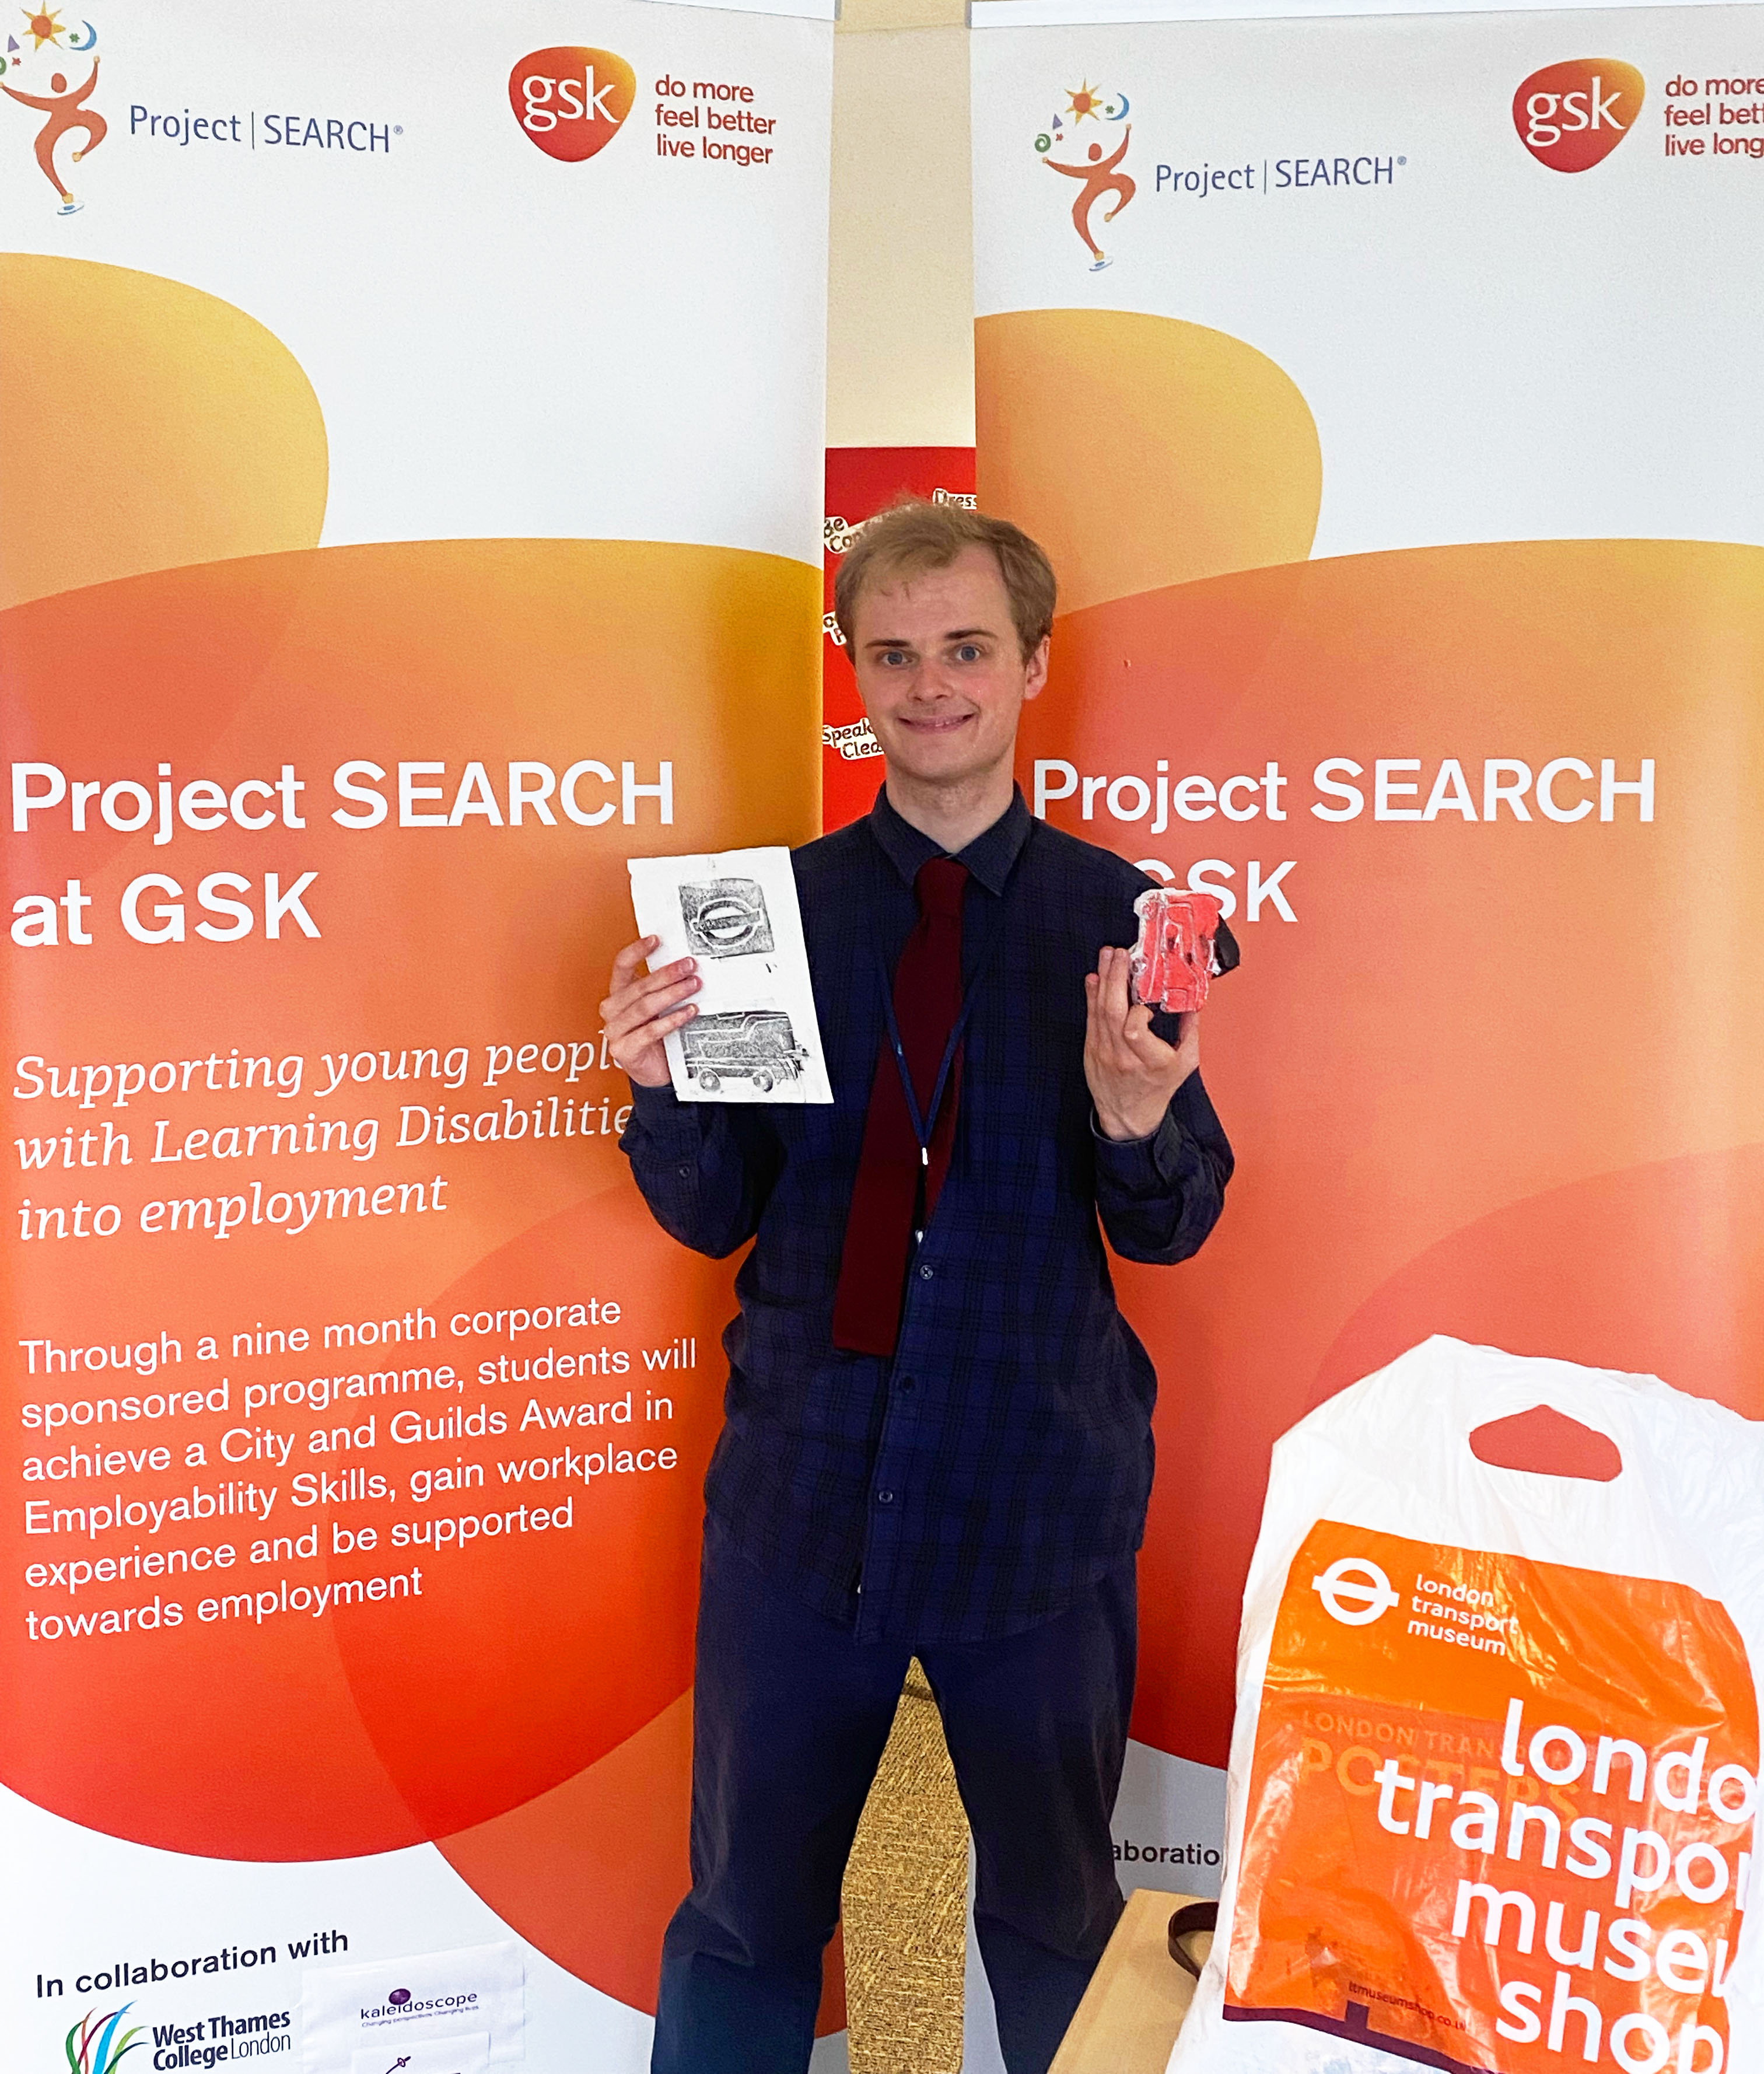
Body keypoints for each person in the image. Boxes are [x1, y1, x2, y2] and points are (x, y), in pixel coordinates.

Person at [604, 499, 1233, 2074]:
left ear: (1031, 662)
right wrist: (666, 1087)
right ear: (855, 674)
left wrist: (1140, 1123)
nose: (929, 682)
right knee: (746, 1919)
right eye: (893, 653)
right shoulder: (761, 920)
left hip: (1037, 1509)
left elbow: (1171, 1230)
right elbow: (712, 1215)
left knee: (1056, 1917)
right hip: (803, 1504)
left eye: (964, 648)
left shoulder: (1128, 921)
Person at [4, 59, 106, 213]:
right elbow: (30, 100)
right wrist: (6, 89)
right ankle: (65, 194)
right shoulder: (67, 99)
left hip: (71, 121)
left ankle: (69, 186)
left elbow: (88, 87)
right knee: (43, 152)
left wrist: (96, 67)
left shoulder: (66, 100)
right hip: (61, 124)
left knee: (97, 126)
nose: (59, 85)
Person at [1043, 129, 1135, 268]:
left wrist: (1127, 134)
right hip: (1099, 187)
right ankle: (1096, 251)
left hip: (1107, 184)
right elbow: (1120, 153)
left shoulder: (1097, 168)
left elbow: (1120, 153)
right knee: (1079, 211)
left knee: (1127, 186)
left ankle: (1111, 217)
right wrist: (1050, 163)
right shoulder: (1100, 167)